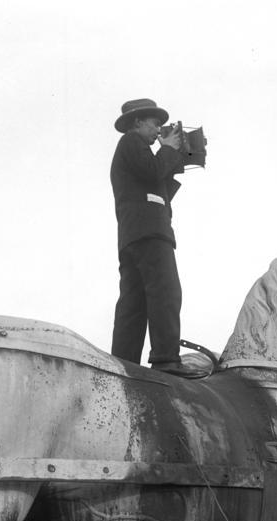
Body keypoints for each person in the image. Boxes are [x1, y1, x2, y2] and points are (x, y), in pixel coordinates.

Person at [109, 98, 194, 376]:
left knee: (134, 302)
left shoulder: (135, 151)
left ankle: (125, 364)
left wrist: (178, 157)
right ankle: (166, 359)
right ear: (137, 122)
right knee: (165, 291)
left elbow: (159, 187)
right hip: (150, 232)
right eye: (155, 123)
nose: (159, 129)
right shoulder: (132, 142)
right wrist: (168, 149)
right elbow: (153, 171)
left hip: (134, 234)